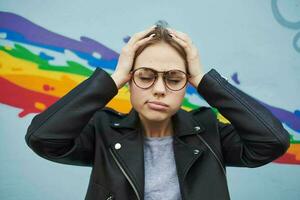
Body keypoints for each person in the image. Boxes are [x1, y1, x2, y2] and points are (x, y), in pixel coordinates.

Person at [25, 21, 290, 200]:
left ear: (187, 85)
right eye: (145, 76)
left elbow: (272, 141)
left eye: (174, 79)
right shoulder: (103, 131)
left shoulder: (208, 131)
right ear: (130, 81)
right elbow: (43, 138)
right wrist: (115, 78)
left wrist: (203, 80)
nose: (159, 89)